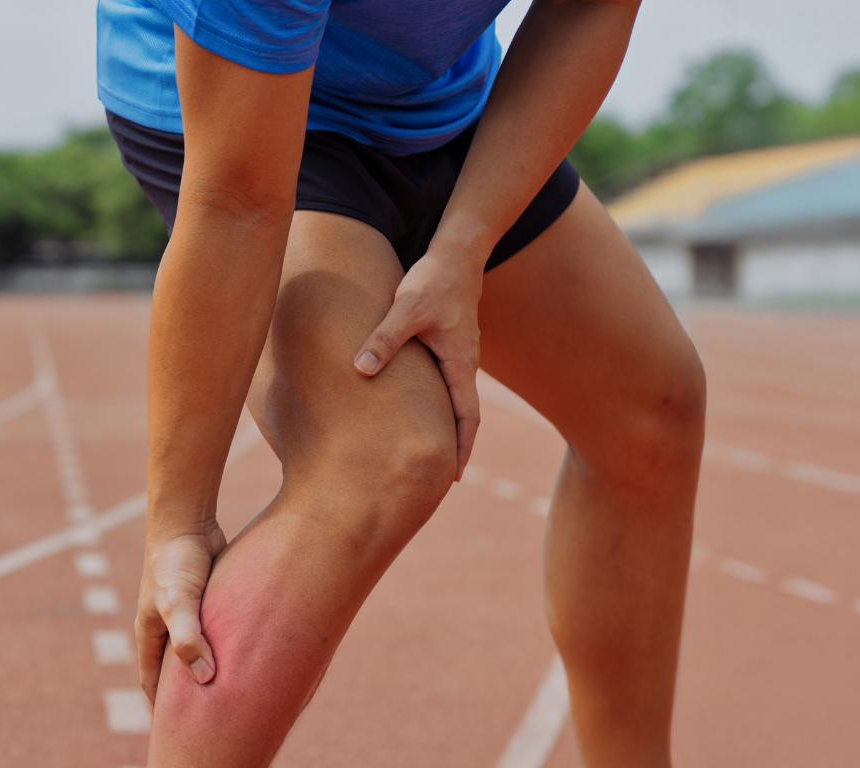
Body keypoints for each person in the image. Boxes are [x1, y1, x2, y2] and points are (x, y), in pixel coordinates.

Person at [97, 0, 706, 764]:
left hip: (442, 108)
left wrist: (464, 247)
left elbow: (592, 9)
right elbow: (238, 204)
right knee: (380, 452)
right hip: (245, 107)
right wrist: (178, 524)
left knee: (653, 405)